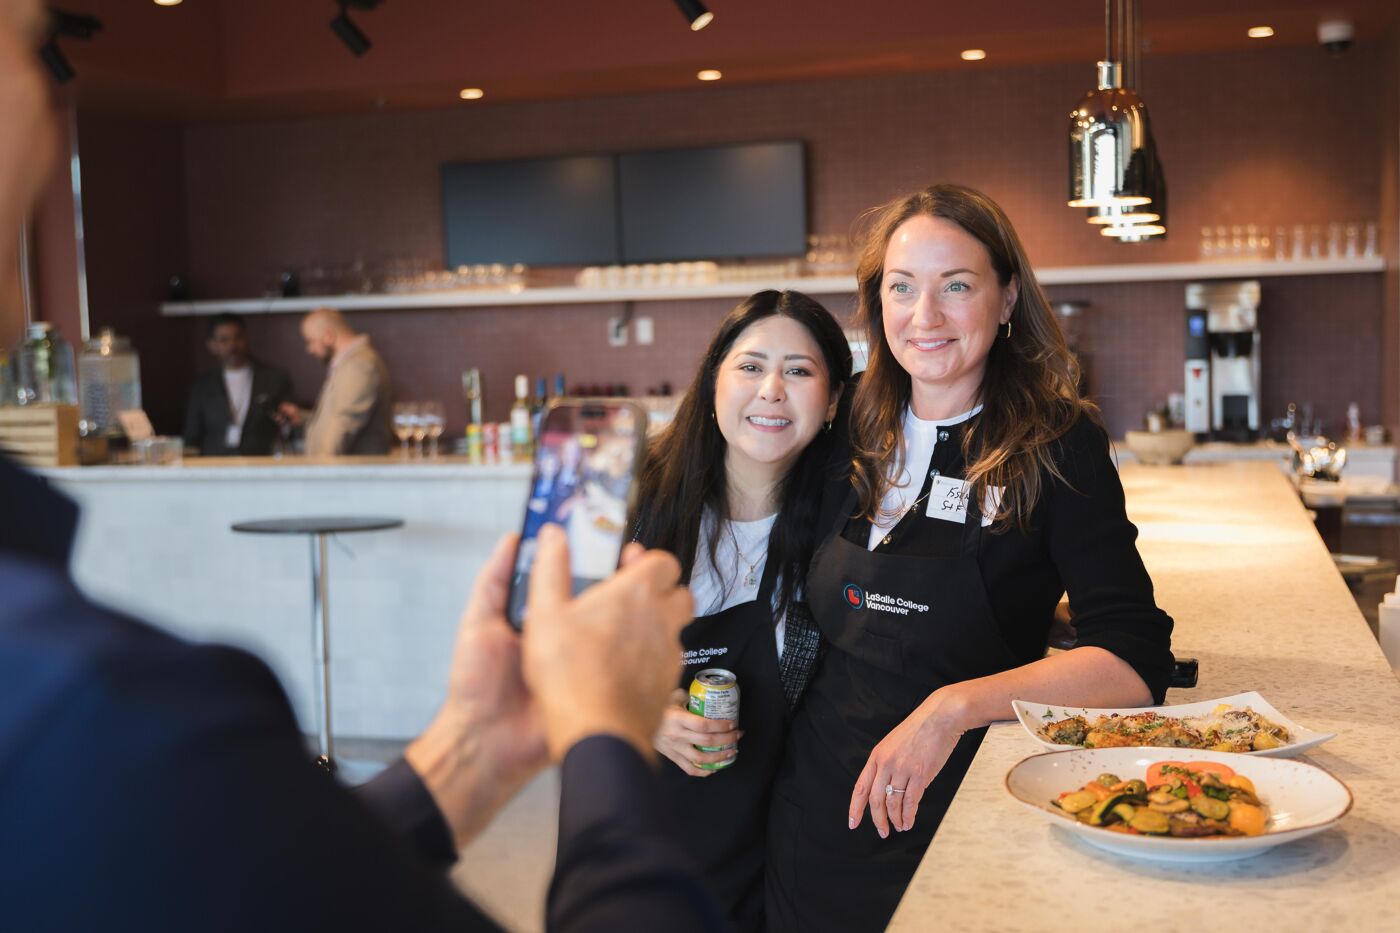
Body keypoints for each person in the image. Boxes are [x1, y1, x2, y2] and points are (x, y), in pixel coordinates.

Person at [0, 4, 724, 928]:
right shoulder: (106, 723)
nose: (39, 92)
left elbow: (259, 879)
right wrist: (608, 734)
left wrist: (472, 748)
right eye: (23, 43)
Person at [765, 185, 1175, 931]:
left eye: (956, 286)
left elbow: (1133, 661)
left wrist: (951, 707)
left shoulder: (1058, 443)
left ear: (1007, 295)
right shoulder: (844, 424)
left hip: (961, 812)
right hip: (813, 814)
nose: (925, 317)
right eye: (902, 287)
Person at [631, 290, 852, 930]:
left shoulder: (848, 531)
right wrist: (641, 711)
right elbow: (546, 650)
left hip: (763, 855)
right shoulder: (635, 497)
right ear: (713, 381)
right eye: (751, 366)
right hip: (631, 833)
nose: (772, 390)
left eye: (801, 371)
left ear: (834, 399)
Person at [278, 306, 393, 456]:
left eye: (311, 341)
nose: (309, 349)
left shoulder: (359, 366)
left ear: (328, 336)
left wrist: (319, 473)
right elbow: (338, 417)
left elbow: (343, 426)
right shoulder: (349, 363)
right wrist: (304, 418)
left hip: (351, 476)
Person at [182, 312, 293, 456]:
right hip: (214, 464)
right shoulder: (201, 385)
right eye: (224, 340)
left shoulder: (275, 379)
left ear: (247, 338)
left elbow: (290, 426)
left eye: (238, 337)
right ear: (211, 345)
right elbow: (192, 435)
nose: (232, 345)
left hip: (261, 462)